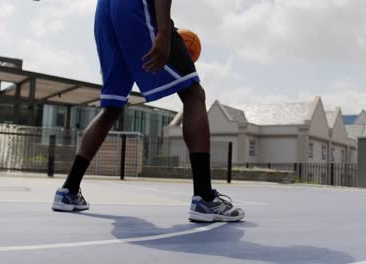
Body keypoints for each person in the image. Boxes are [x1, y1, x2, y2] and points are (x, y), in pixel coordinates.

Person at [51, 0, 245, 222]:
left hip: (105, 10)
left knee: (112, 107)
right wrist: (163, 31)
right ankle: (204, 197)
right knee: (194, 94)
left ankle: (69, 191)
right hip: (136, 7)